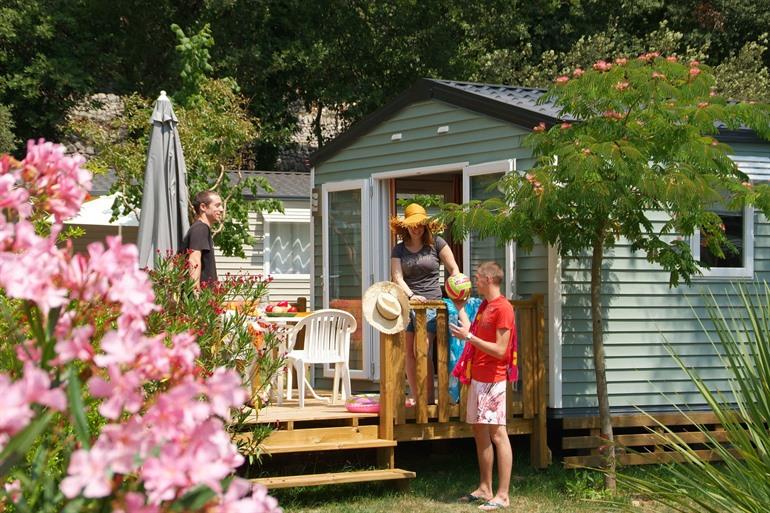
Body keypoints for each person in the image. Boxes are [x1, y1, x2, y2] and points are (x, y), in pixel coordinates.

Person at [450, 261, 515, 511]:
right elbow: (473, 333)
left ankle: (503, 495)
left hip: (493, 380)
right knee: (479, 431)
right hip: (478, 377)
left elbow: (501, 350)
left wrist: (469, 337)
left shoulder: (503, 308)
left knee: (498, 433)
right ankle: (485, 488)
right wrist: (460, 309)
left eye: (477, 278)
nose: (474, 282)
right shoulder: (485, 306)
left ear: (488, 279)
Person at [390, 202, 460, 406]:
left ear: (426, 225)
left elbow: (454, 269)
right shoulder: (399, 249)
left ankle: (428, 398)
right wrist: (411, 295)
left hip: (431, 305)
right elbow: (397, 277)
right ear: (405, 226)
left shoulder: (437, 243)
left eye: (420, 224)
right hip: (408, 304)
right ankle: (416, 395)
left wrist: (456, 287)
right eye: (413, 224)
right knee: (409, 352)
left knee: (422, 349)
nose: (417, 228)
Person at [181, 190, 223, 290]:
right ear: (203, 207)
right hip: (200, 297)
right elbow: (193, 260)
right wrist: (195, 291)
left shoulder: (201, 228)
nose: (221, 209)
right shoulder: (200, 229)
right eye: (217, 205)